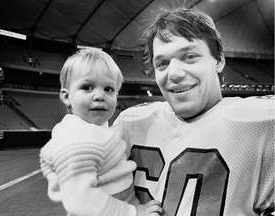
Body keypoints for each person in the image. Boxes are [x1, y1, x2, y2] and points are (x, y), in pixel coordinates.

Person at [113, 8, 274, 216]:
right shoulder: (131, 122)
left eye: (189, 56)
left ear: (219, 61)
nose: (175, 73)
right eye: (162, 63)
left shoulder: (263, 123)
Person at [39, 47, 162, 216]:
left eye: (108, 89)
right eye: (87, 87)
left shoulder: (92, 128)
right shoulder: (78, 139)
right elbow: (82, 200)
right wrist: (133, 212)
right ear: (66, 96)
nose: (99, 96)